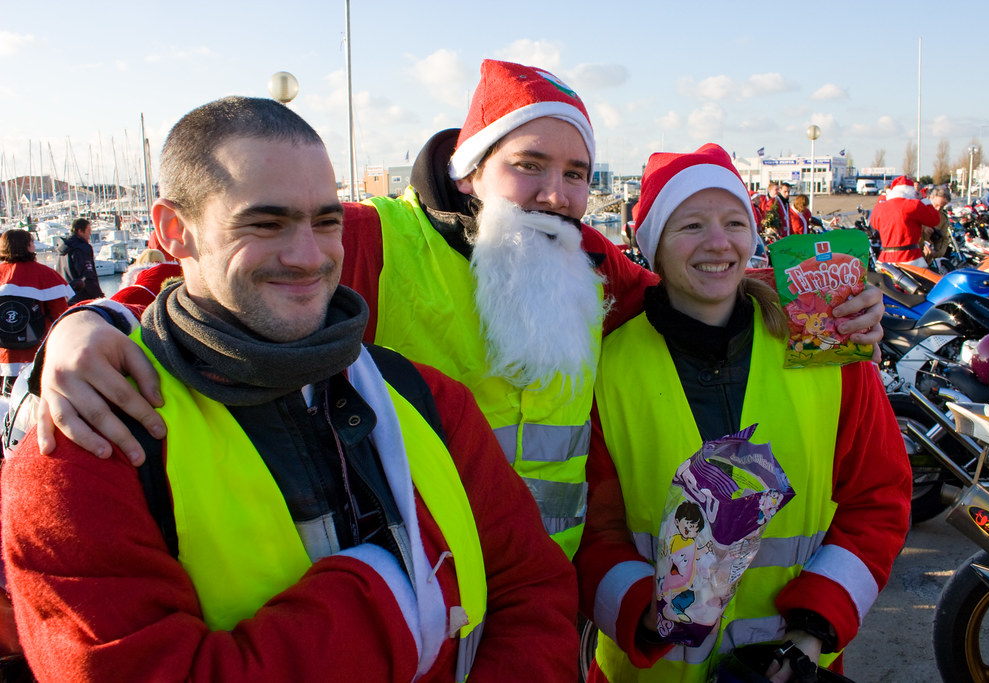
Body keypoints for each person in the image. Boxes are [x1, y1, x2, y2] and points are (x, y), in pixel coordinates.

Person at [25, 60, 885, 561]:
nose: (555, 194)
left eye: (577, 173)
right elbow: (225, 264)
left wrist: (799, 297)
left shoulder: (597, 272)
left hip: (550, 598)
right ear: (472, 170)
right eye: (529, 166)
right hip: (409, 583)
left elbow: (697, 286)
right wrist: (91, 321)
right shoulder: (374, 237)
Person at [1, 96, 577, 682]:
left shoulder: (426, 398)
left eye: (326, 221)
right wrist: (387, 592)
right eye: (265, 222)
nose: (308, 256)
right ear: (175, 231)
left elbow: (533, 590)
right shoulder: (81, 449)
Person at [574, 144, 910, 682]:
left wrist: (810, 634)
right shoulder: (605, 367)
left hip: (795, 662)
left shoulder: (826, 346)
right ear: (653, 248)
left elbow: (880, 497)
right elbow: (594, 529)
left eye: (735, 221)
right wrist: (651, 617)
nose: (718, 242)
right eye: (690, 226)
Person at [0, 230, 72, 395]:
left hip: (3, 354)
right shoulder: (45, 274)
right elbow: (61, 315)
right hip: (36, 351)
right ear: (28, 246)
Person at [870, 175, 941, 266]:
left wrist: (883, 198)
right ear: (911, 192)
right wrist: (924, 200)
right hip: (910, 258)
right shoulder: (914, 205)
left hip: (886, 259)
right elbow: (934, 220)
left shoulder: (880, 207)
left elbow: (875, 224)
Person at [56, 217, 104, 304]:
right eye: (88, 230)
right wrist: (99, 297)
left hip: (67, 298)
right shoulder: (81, 248)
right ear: (80, 231)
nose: (90, 234)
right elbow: (87, 275)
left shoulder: (62, 250)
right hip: (83, 299)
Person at [922, 185, 953, 265]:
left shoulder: (942, 218)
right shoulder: (918, 210)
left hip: (927, 259)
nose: (938, 209)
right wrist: (923, 229)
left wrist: (935, 253)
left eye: (942, 206)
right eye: (936, 205)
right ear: (931, 198)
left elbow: (944, 239)